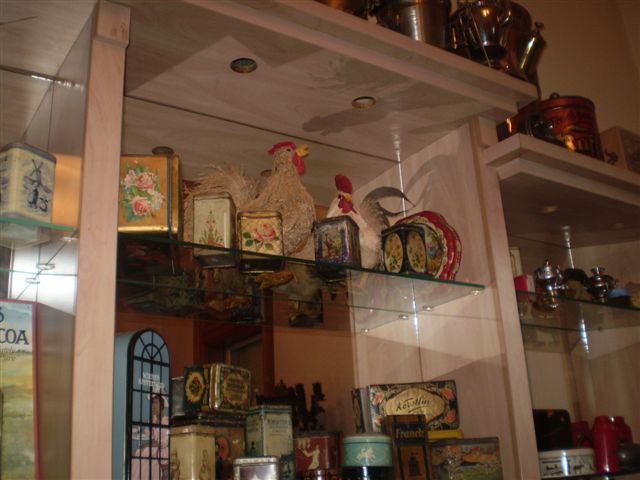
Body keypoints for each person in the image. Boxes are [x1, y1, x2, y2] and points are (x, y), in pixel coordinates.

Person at [131, 393, 170, 479]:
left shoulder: (167, 421)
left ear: (161, 406)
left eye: (156, 403)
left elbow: (165, 442)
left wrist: (149, 444)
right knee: (139, 452)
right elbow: (147, 433)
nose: (154, 405)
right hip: (154, 448)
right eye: (153, 403)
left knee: (143, 452)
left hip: (162, 450)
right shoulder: (153, 419)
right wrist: (152, 420)